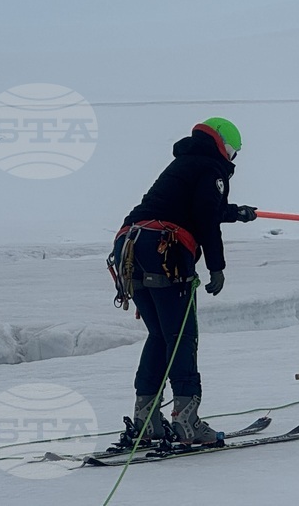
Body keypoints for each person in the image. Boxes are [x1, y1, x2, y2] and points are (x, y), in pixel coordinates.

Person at [111, 117, 258, 444]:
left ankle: (146, 419)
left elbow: (196, 207)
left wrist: (235, 212)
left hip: (129, 248)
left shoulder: (183, 165)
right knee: (181, 336)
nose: (232, 157)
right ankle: (186, 420)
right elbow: (205, 214)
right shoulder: (211, 168)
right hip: (165, 250)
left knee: (162, 336)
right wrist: (217, 266)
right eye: (232, 150)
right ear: (222, 144)